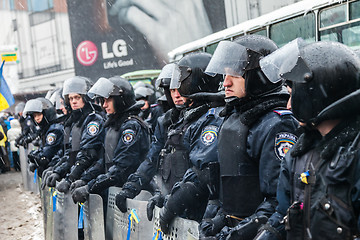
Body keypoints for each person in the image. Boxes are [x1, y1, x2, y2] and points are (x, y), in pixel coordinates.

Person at [254, 39, 360, 240]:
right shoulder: (298, 154)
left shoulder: (355, 154)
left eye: (293, 95)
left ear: (316, 97)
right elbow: (282, 214)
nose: (288, 106)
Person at [195, 35, 299, 240]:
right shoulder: (236, 118)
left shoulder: (277, 125)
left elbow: (278, 201)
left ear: (258, 76)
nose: (225, 82)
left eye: (234, 74)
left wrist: (239, 233)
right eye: (225, 74)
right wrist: (220, 220)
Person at [151, 52, 225, 234]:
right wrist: (165, 197)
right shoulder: (191, 117)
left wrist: (171, 205)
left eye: (183, 80)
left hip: (203, 213)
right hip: (193, 211)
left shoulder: (212, 118)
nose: (177, 90)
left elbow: (201, 176)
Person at [114, 63, 185, 215]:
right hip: (173, 202)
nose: (176, 95)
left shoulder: (203, 121)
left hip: (190, 204)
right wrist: (130, 188)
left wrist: (169, 200)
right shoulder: (165, 121)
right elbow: (152, 160)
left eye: (180, 88)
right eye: (172, 90)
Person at [70, 76, 150, 204]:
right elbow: (105, 160)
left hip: (132, 197)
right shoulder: (115, 125)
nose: (104, 105)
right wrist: (85, 179)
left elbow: (122, 166)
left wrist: (90, 187)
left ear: (120, 100)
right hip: (114, 190)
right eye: (103, 100)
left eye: (108, 100)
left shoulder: (131, 126)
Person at [45, 76, 105, 193]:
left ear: (85, 98)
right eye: (70, 98)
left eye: (77, 97)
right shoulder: (76, 121)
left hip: (91, 178)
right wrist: (57, 170)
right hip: (79, 177)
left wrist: (70, 179)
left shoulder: (93, 120)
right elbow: (71, 153)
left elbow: (88, 155)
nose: (73, 101)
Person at [23, 98, 64, 176]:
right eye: (34, 116)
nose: (37, 118)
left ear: (46, 114)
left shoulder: (54, 129)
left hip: (55, 166)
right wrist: (35, 155)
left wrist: (36, 157)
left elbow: (48, 151)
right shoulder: (46, 128)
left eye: (39, 114)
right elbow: (43, 148)